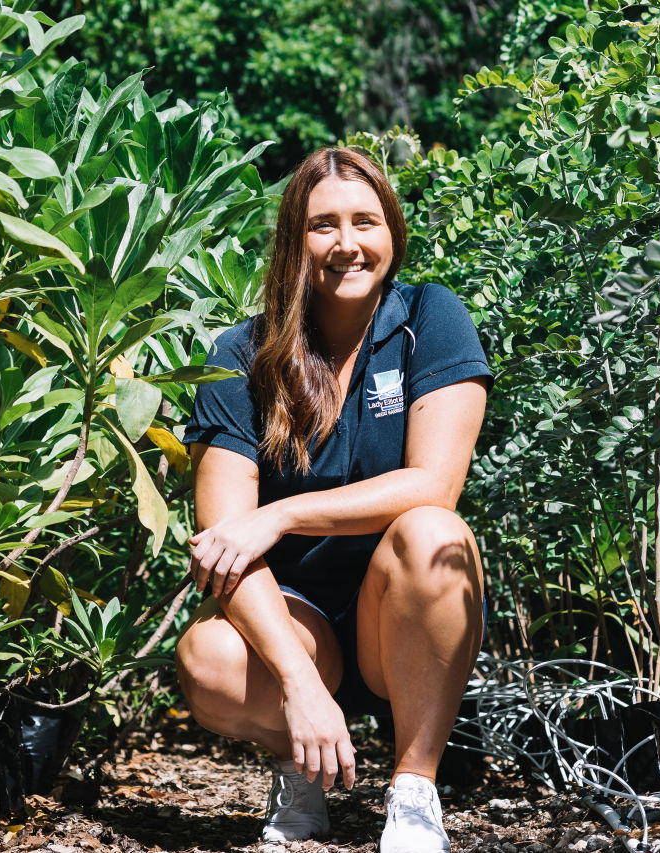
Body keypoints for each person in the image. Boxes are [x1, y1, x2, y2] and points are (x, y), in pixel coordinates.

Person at [175, 147, 490, 853]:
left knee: (434, 531)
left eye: (365, 221)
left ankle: (413, 793)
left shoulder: (430, 318)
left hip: (404, 618)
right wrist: (297, 683)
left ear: (392, 232)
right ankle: (300, 760)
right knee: (205, 656)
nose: (347, 244)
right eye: (323, 225)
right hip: (298, 620)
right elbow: (224, 538)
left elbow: (435, 484)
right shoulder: (241, 354)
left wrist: (280, 513)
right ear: (295, 241)